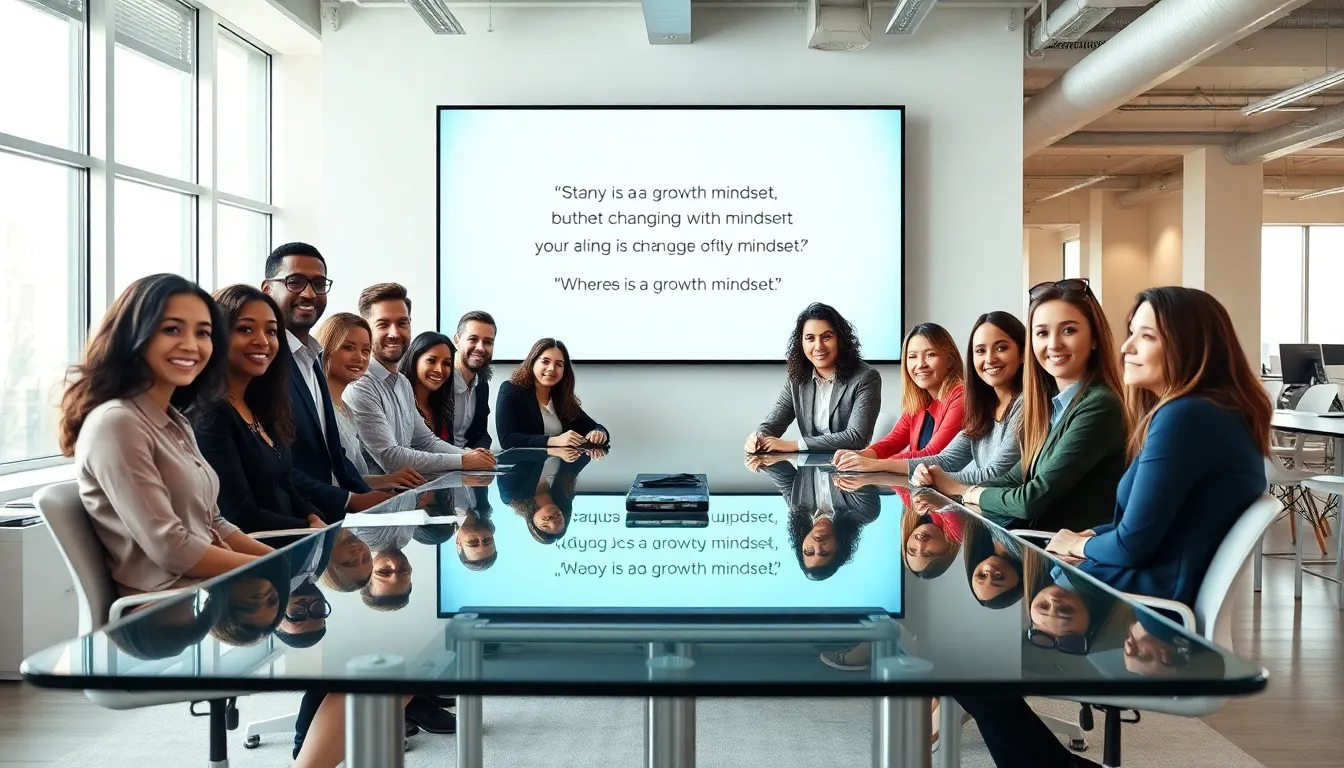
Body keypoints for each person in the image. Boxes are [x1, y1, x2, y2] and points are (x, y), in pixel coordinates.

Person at [956, 286, 1271, 768]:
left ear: (1190, 346)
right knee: (966, 648)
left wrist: (1079, 548)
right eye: (1130, 334)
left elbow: (1132, 545)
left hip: (1140, 608)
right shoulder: (1207, 412)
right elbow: (1141, 526)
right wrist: (1089, 539)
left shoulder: (1184, 417)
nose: (1126, 347)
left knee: (959, 657)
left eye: (1144, 336)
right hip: (1143, 587)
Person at [60, 274, 273, 598]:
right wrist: (264, 569)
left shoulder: (174, 420)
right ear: (135, 334)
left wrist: (278, 561)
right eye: (172, 329)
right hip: (162, 615)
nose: (191, 344)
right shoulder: (117, 424)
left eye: (203, 333)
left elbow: (213, 523)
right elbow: (172, 549)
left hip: (205, 596)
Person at [936, 279, 1126, 532]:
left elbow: (1030, 500)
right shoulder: (1052, 406)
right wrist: (946, 482)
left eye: (1068, 330)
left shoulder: (1100, 405)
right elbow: (1015, 477)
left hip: (1071, 562)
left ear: (1094, 339)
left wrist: (965, 491)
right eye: (1042, 333)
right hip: (1041, 548)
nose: (1054, 344)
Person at [260, 243, 395, 521]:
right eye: (295, 282)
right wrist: (350, 500)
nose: (309, 293)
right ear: (267, 290)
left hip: (331, 519)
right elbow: (276, 462)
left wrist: (377, 504)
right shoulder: (264, 362)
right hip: (294, 521)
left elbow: (333, 455)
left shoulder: (312, 356)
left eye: (319, 284)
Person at [193, 285, 325, 534]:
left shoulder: (262, 406)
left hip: (291, 548)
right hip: (254, 557)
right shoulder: (211, 414)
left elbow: (286, 485)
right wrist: (308, 528)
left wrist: (313, 516)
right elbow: (239, 515)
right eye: (245, 329)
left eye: (272, 331)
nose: (263, 341)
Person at [343, 282, 495, 474]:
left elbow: (425, 441)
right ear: (366, 329)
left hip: (407, 495)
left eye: (402, 323)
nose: (394, 333)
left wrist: (473, 457)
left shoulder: (403, 383)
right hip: (376, 500)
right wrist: (464, 460)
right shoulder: (359, 386)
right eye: (383, 324)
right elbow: (391, 458)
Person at [908, 311, 1026, 487]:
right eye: (980, 351)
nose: (989, 359)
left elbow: (998, 474)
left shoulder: (1026, 403)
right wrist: (922, 470)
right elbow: (947, 459)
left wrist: (939, 478)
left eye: (1001, 348)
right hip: (981, 508)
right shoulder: (984, 404)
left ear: (1023, 353)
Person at [746, 302, 882, 453]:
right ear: (801, 343)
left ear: (840, 339)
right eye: (810, 338)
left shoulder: (865, 377)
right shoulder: (797, 378)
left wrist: (796, 445)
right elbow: (773, 424)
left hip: (847, 468)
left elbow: (856, 437)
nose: (818, 346)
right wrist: (758, 438)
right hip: (809, 468)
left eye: (826, 337)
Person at [312, 312, 425, 491]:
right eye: (348, 347)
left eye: (365, 350)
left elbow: (350, 477)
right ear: (326, 348)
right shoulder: (315, 408)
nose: (360, 357)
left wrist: (387, 480)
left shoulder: (346, 409)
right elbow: (324, 481)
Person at [832, 323, 965, 471]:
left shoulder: (961, 395)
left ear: (950, 360)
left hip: (949, 491)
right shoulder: (921, 398)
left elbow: (934, 455)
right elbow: (893, 441)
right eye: (912, 356)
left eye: (931, 355)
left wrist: (875, 464)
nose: (920, 364)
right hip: (922, 485)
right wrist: (860, 455)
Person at [496, 338, 609, 449]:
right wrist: (555, 440)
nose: (552, 369)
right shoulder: (511, 390)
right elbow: (507, 440)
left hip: (560, 465)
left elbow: (594, 426)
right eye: (545, 361)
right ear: (532, 362)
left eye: (559, 364)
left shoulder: (561, 398)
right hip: (525, 465)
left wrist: (598, 433)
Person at [499, 449, 593, 544]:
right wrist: (597, 442)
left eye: (545, 526)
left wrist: (551, 449)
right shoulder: (564, 486)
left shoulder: (512, 496)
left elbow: (504, 458)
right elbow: (584, 454)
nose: (552, 521)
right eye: (559, 522)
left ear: (532, 522)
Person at [449, 310, 496, 449]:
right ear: (456, 340)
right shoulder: (440, 378)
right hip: (440, 463)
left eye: (488, 342)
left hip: (468, 465)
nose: (480, 348)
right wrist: (466, 458)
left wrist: (481, 452)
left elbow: (481, 433)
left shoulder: (481, 382)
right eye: (473, 339)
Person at [400, 331, 458, 442]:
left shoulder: (442, 407)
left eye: (446, 363)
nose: (439, 370)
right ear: (414, 359)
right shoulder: (398, 404)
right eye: (431, 360)